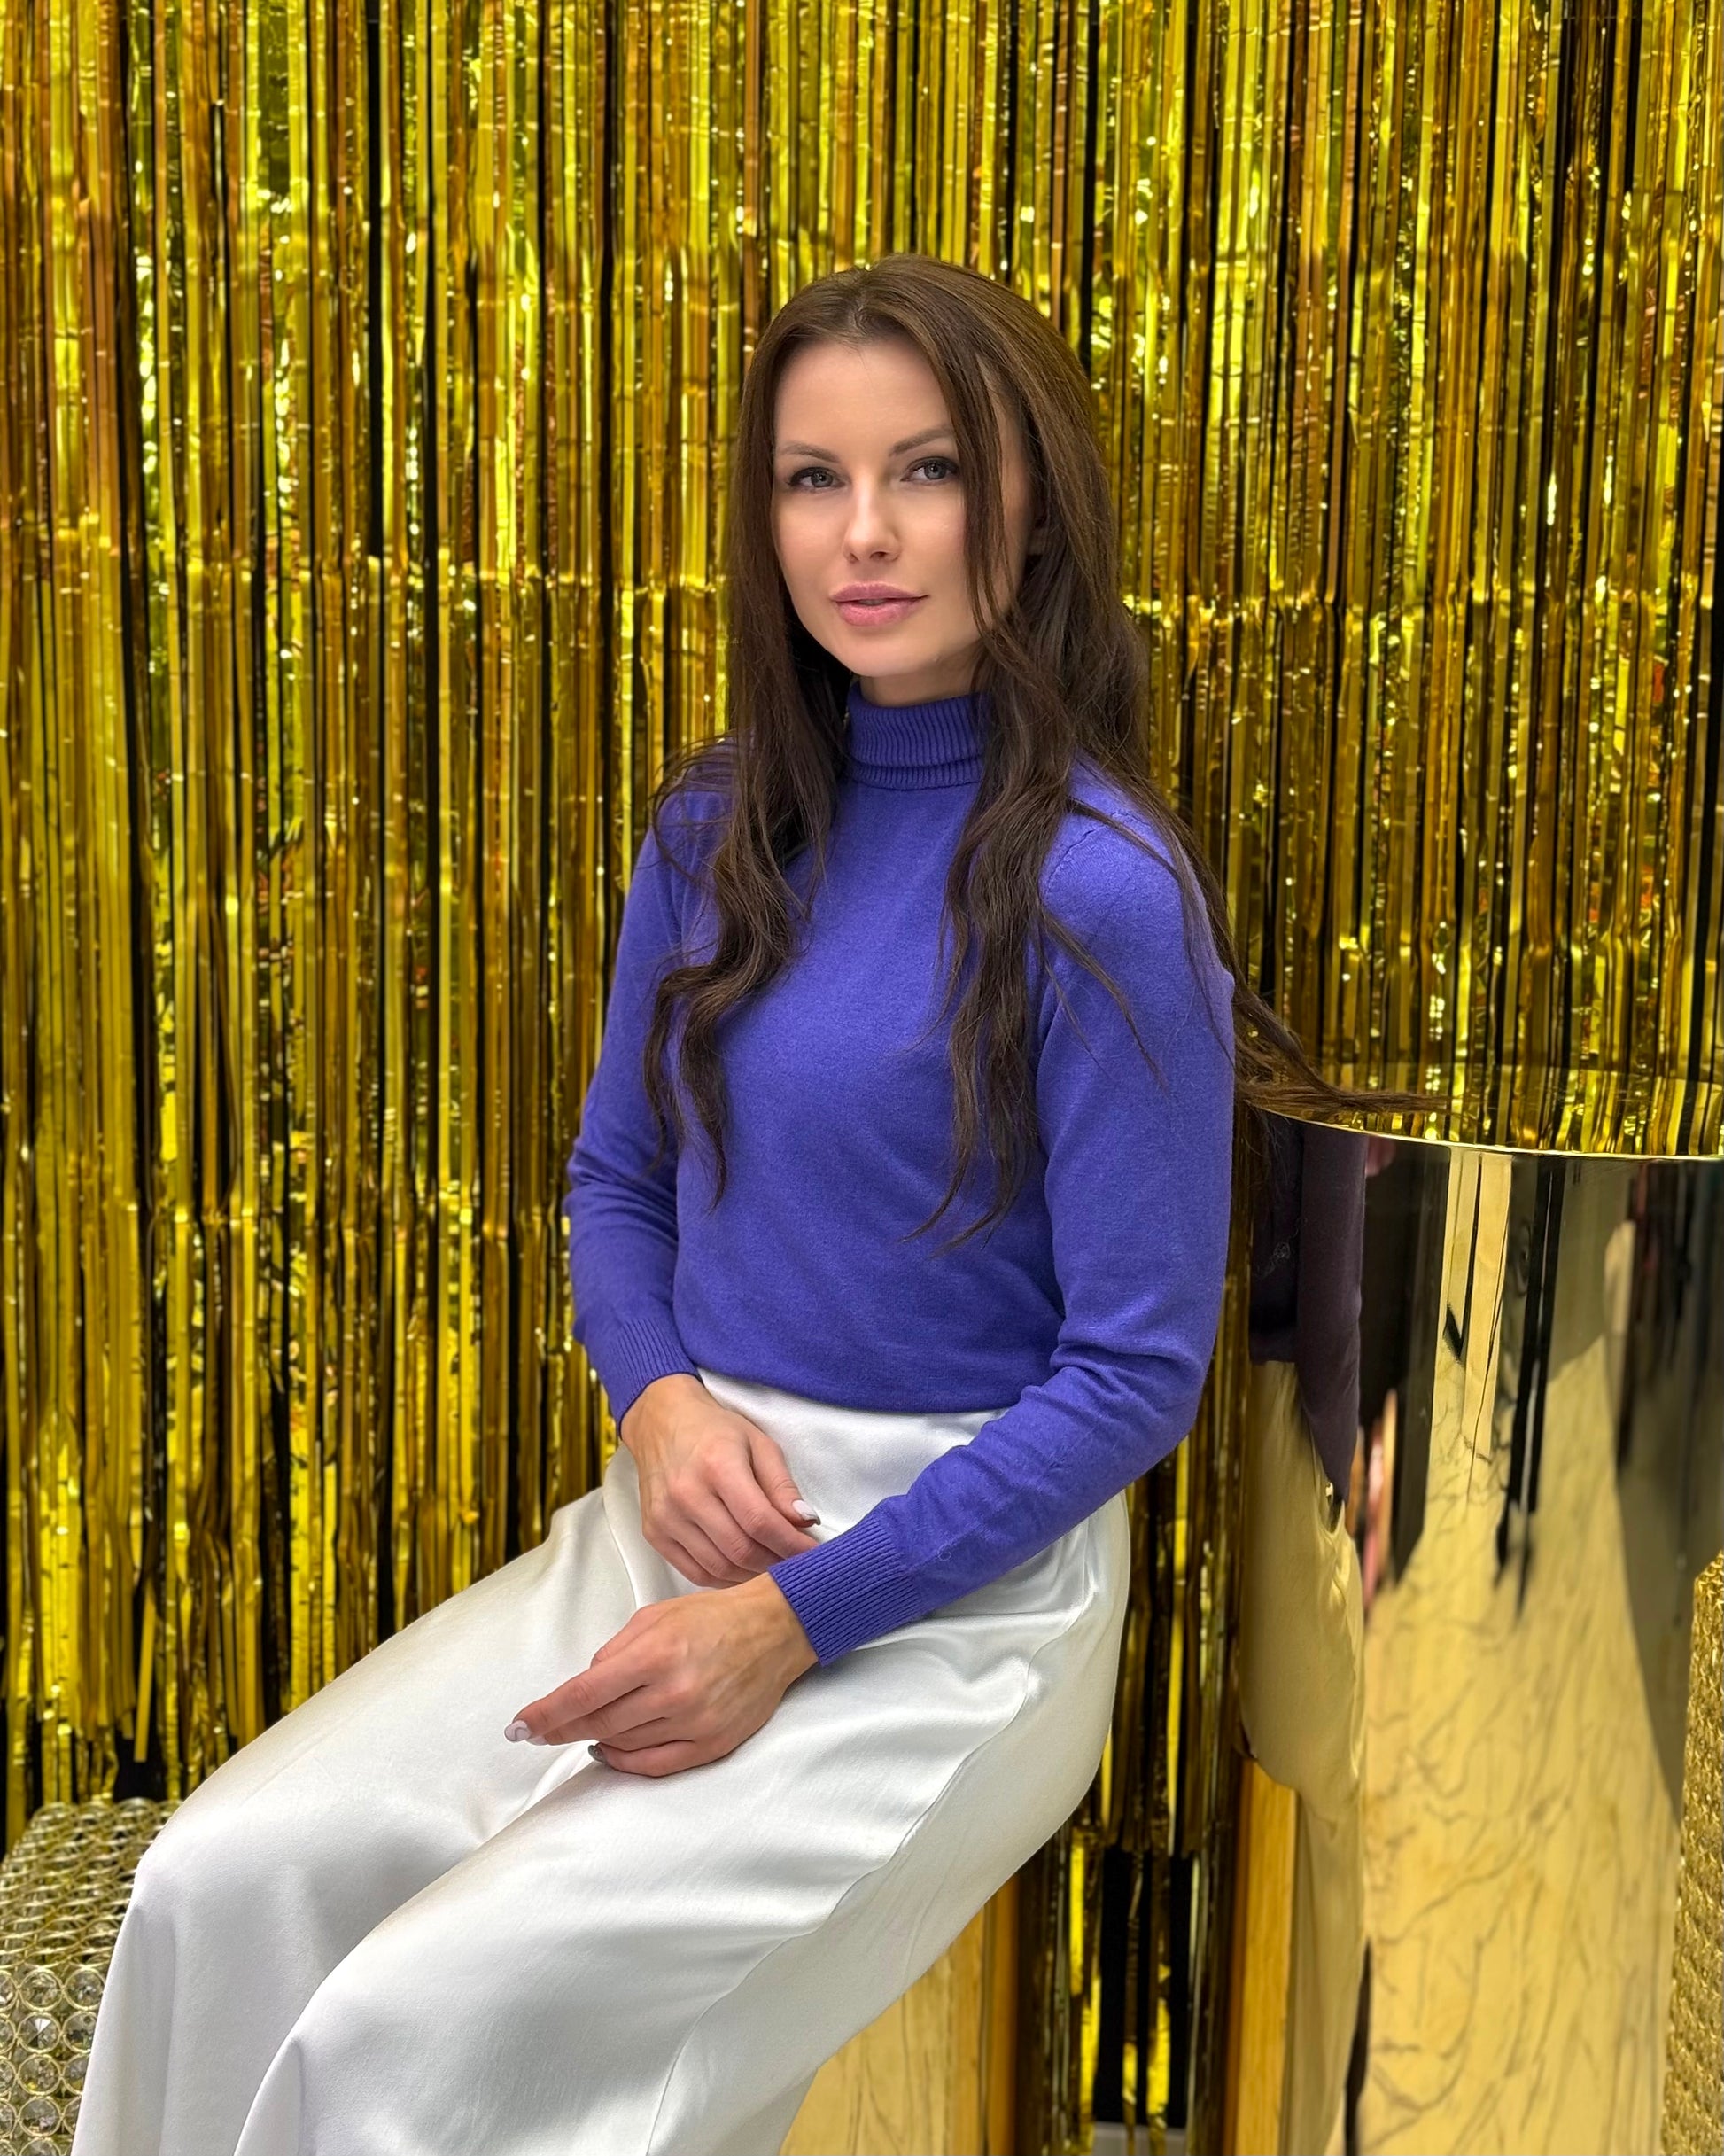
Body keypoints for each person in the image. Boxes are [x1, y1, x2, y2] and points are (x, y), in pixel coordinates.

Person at [74, 253, 1350, 2156]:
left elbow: (1132, 1375)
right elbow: (616, 1179)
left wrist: (792, 1620)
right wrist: (659, 1403)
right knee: (220, 1874)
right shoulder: (718, 825)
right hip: (674, 1511)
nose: (863, 533)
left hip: (950, 1591)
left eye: (925, 470)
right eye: (811, 478)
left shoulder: (1101, 891)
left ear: (1030, 502)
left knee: (420, 2032)